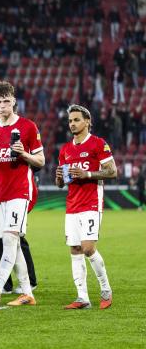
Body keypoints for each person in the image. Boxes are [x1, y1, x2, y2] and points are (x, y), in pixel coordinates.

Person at [0, 81, 45, 306]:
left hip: (19, 190)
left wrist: (24, 154)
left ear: (14, 101)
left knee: (10, 238)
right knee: (13, 242)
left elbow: (41, 160)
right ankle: (27, 292)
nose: (2, 106)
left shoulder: (28, 127)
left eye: (6, 101)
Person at [56, 105, 116, 310]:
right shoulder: (65, 149)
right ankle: (82, 298)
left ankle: (106, 289)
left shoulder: (98, 144)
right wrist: (59, 180)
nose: (72, 123)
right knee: (75, 249)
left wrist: (88, 174)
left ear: (88, 121)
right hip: (72, 204)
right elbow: (63, 181)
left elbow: (112, 171)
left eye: (76, 120)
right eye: (70, 120)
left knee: (88, 248)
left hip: (91, 203)